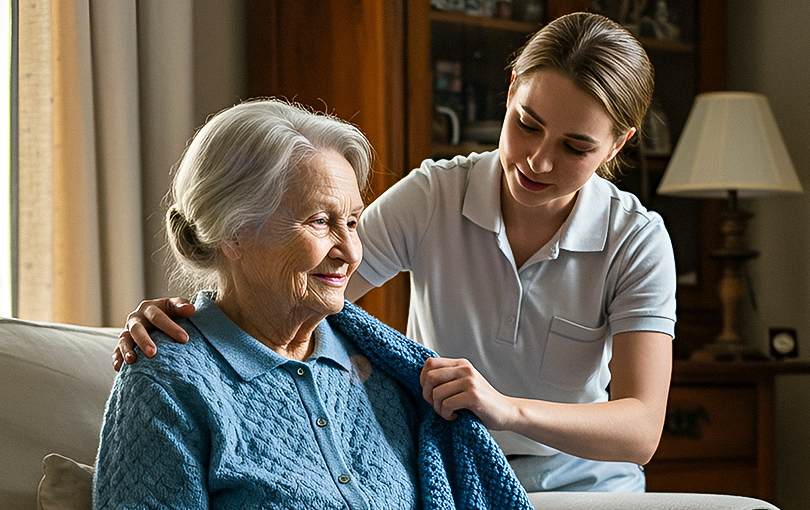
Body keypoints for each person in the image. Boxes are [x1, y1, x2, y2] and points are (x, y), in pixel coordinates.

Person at [115, 12, 676, 493]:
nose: (539, 161)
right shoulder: (435, 195)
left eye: (575, 147)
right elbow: (303, 286)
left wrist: (505, 409)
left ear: (618, 144)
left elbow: (641, 429)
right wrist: (193, 313)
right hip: (445, 468)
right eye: (526, 125)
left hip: (587, 488)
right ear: (509, 92)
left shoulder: (636, 240)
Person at [94, 99, 532, 509]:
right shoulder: (166, 384)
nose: (350, 251)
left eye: (353, 222)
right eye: (320, 222)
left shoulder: (385, 373)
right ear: (233, 232)